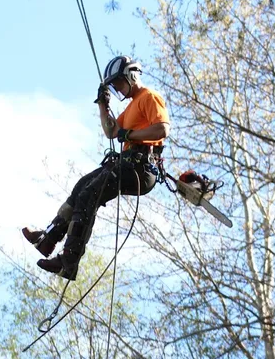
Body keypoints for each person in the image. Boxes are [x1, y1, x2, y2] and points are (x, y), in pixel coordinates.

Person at [21, 55, 170, 280]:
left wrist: (129, 134)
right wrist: (103, 105)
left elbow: (161, 129)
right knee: (82, 187)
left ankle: (68, 261)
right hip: (128, 163)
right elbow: (111, 131)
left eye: (119, 83)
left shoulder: (149, 97)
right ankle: (48, 239)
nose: (118, 89)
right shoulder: (131, 108)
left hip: (141, 167)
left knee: (91, 192)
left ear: (131, 75)